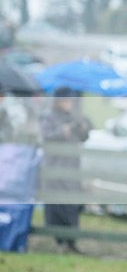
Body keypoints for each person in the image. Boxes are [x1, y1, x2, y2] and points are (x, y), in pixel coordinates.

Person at [39, 87, 92, 254]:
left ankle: (71, 241)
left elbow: (83, 137)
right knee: (57, 207)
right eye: (67, 100)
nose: (70, 104)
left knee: (72, 207)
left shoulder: (74, 116)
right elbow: (47, 136)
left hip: (72, 168)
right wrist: (64, 130)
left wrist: (83, 126)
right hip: (55, 168)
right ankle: (59, 241)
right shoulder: (49, 116)